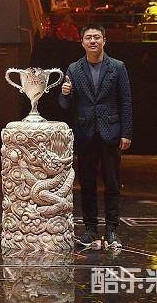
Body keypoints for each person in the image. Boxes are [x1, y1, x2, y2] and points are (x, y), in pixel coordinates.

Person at [59, 23, 132, 250]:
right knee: (87, 184)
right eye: (88, 37)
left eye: (97, 37)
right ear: (82, 42)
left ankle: (111, 230)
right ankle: (90, 229)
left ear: (104, 40)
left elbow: (126, 101)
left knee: (112, 183)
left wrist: (126, 132)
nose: (93, 41)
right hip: (85, 133)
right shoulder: (74, 68)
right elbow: (65, 105)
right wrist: (65, 93)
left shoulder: (117, 67)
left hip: (111, 133)